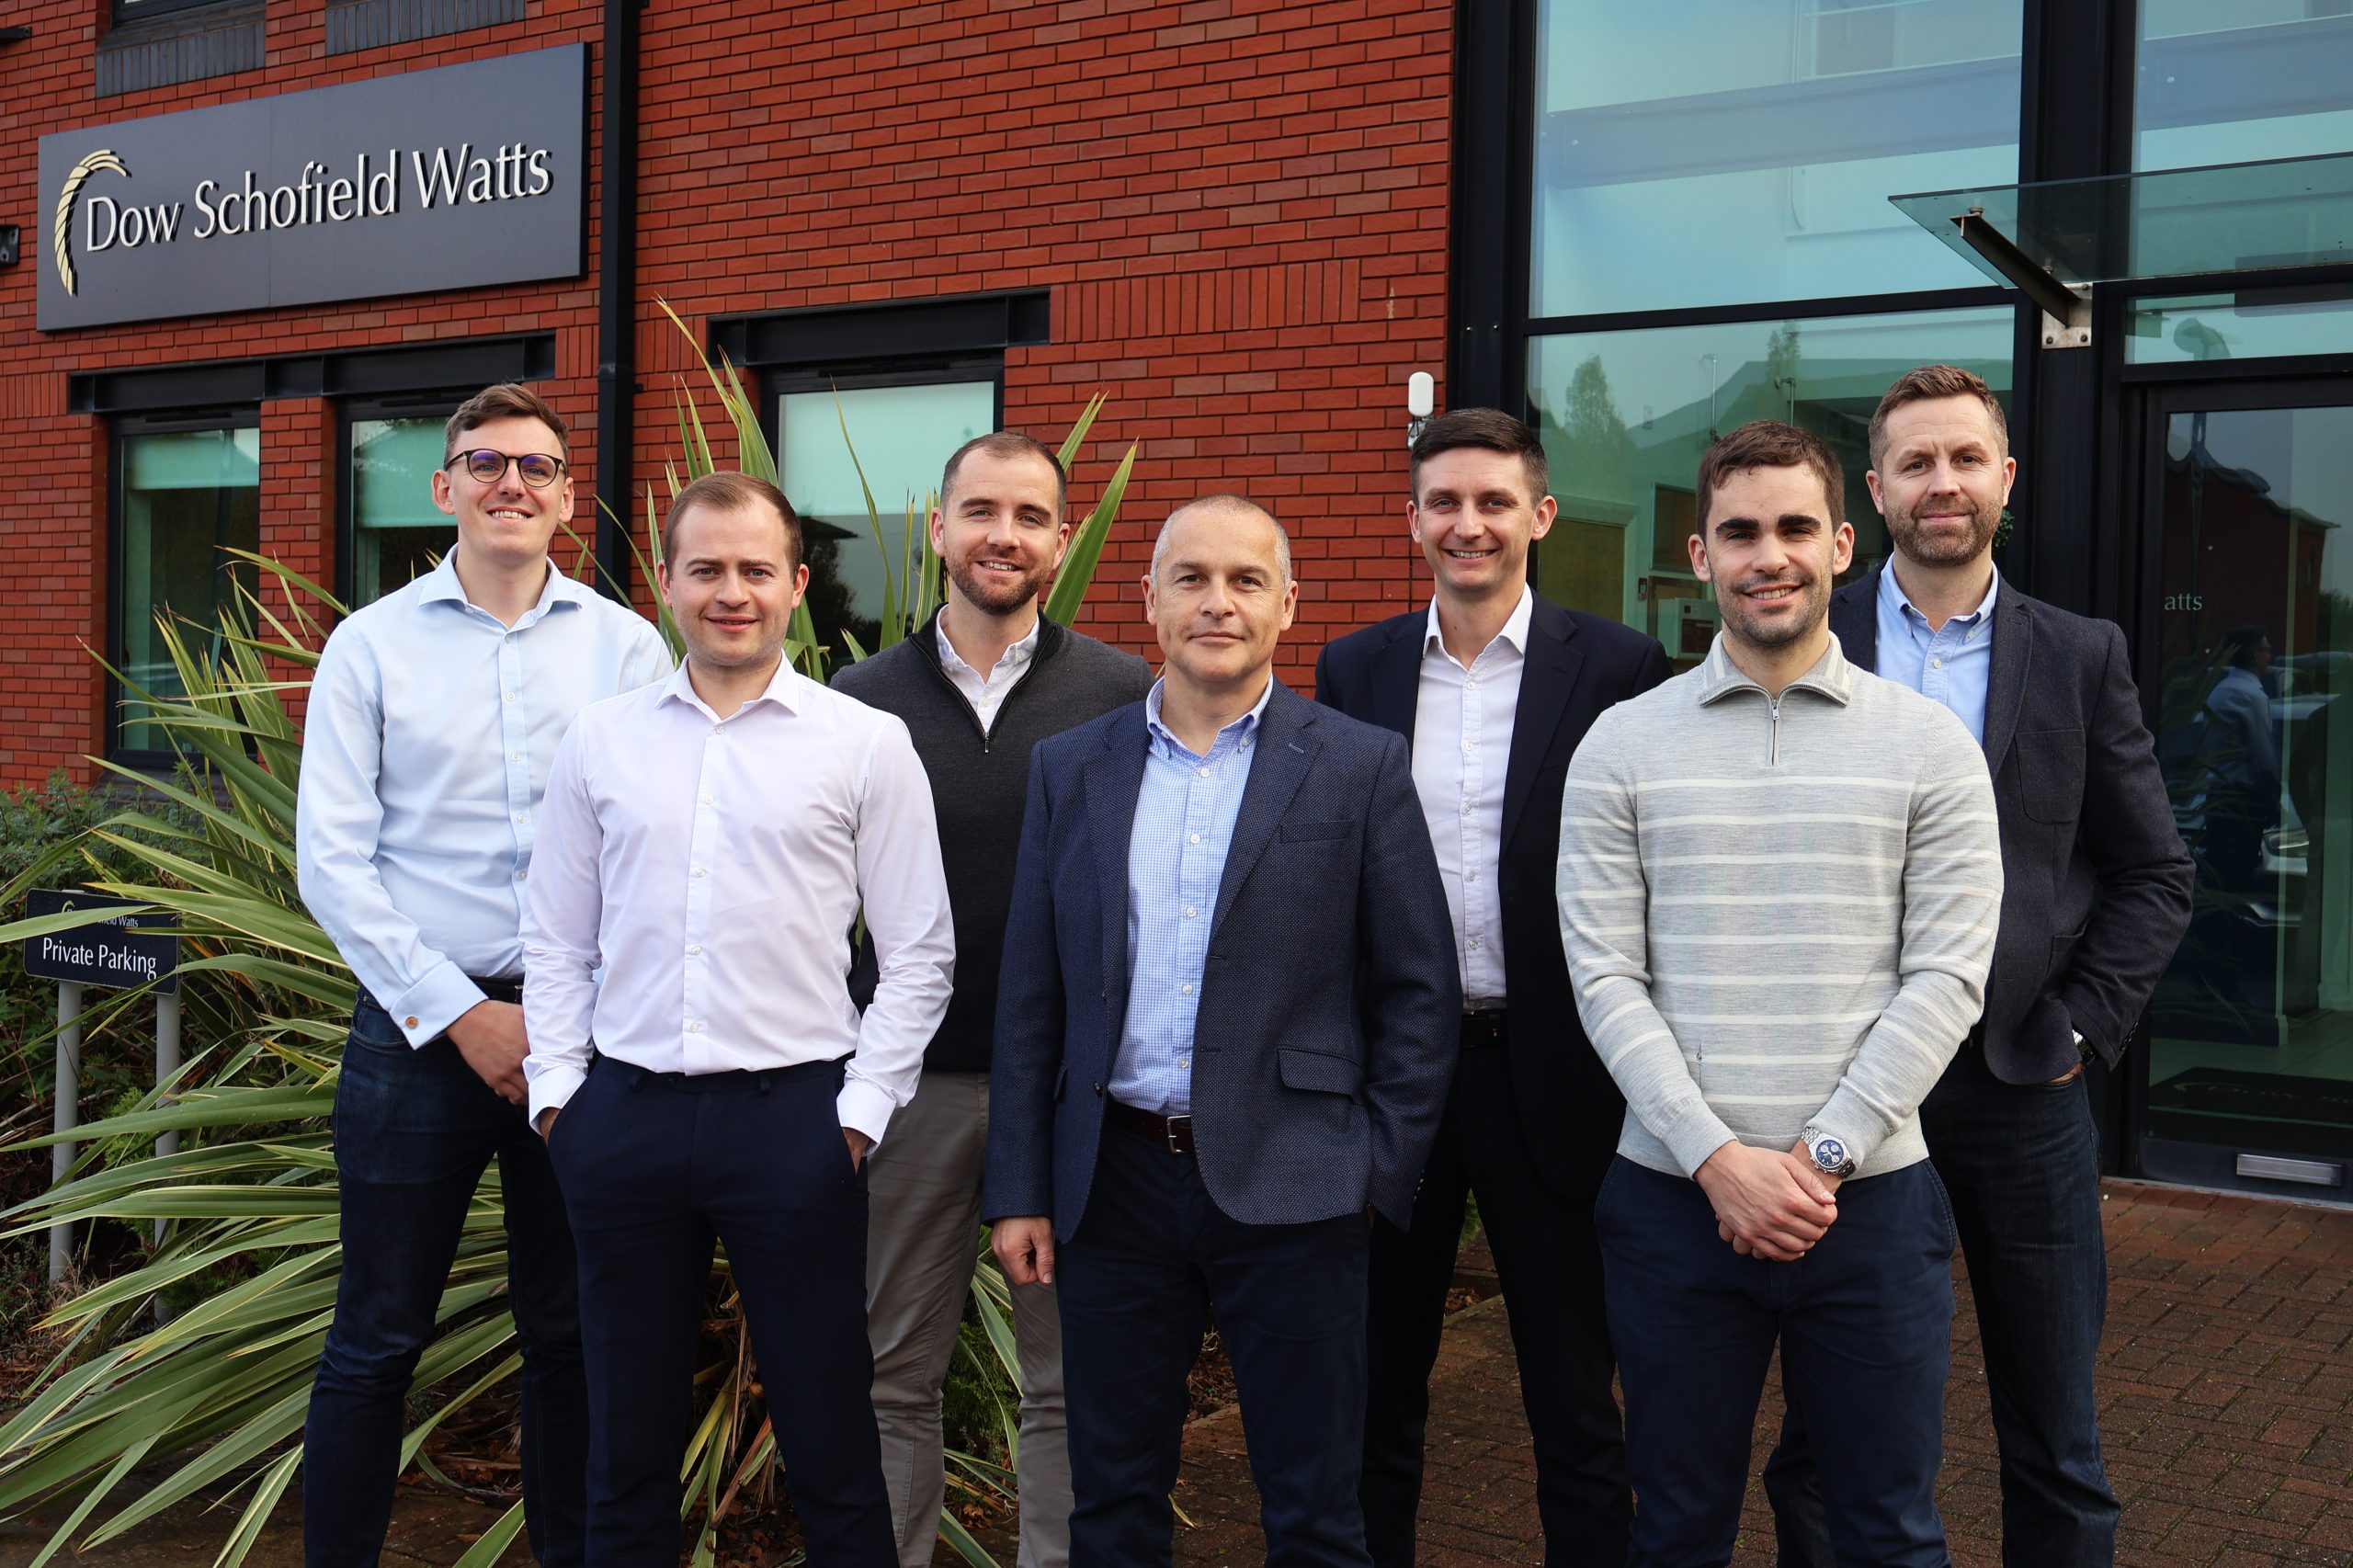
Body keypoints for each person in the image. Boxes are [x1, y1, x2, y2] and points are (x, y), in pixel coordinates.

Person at [1768, 366, 2195, 1568]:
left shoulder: (2079, 654)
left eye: (1965, 458)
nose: (1941, 482)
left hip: (2019, 1087)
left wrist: (2077, 1030)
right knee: (1819, 1431)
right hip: (1837, 1088)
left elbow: (2153, 872)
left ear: (2005, 479)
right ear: (1876, 489)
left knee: (2054, 1433)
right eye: (1915, 461)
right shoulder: (1796, 634)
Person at [983, 494, 1460, 1566]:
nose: (1217, 601)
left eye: (1245, 580)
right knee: (1111, 1497)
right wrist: (1019, 1182)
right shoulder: (1073, 767)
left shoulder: (1356, 763)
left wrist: (1377, 1168)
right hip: (1113, 1182)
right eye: (1191, 577)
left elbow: (1417, 991)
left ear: (1287, 604)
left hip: (1298, 1179)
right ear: (1148, 599)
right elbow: (1032, 995)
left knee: (1313, 1505)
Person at [1558, 418, 2002, 1568]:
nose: (1771, 554)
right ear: (1698, 554)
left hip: (1869, 1207)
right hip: (1671, 1204)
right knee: (1676, 1530)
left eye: (1795, 527)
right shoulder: (1619, 744)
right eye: (1739, 530)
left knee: (1888, 1533)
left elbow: (1947, 974)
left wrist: (1819, 1162)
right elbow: (1605, 975)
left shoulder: (1931, 745)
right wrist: (1716, 1160)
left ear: (1842, 543)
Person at [519, 472, 954, 1567]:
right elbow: (556, 941)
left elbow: (917, 954)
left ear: (796, 585)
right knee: (625, 1447)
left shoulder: (862, 742)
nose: (732, 592)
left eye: (757, 570)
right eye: (706, 568)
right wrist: (561, 1098)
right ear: (665, 583)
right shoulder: (601, 741)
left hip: (795, 1124)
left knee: (829, 1437)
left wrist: (856, 1116)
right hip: (623, 1122)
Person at [296, 382, 671, 1568]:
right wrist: (464, 1015)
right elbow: (332, 863)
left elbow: (659, 841)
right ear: (443, 486)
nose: (513, 481)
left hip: (583, 1034)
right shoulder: (370, 645)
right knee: (377, 1333)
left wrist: (560, 1015)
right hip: (415, 1030)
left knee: (569, 1333)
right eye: (486, 461)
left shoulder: (629, 647)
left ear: (568, 498)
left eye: (540, 466)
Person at [1313, 407, 1668, 1567]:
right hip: (1398, 1076)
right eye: (1445, 502)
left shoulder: (1616, 666)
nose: (1469, 525)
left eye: (1494, 502)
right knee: (1376, 1390)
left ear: (1541, 516)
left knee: (1574, 1399)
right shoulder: (1354, 666)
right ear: (1411, 519)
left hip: (1554, 1073)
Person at [831, 432, 1151, 1568]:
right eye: (978, 511)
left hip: (1069, 1095)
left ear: (1062, 539)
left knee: (1067, 1383)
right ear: (937, 528)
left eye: (1027, 515)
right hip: (908, 1086)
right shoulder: (855, 703)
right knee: (889, 1371)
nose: (1000, 535)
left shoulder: (1127, 695)